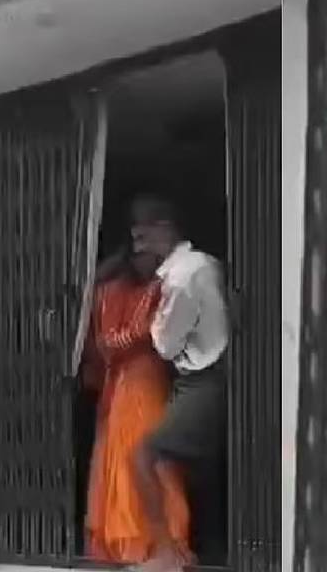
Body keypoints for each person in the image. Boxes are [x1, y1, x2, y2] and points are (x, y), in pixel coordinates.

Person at [129, 198, 229, 572]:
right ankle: (207, 553)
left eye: (143, 235)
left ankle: (166, 553)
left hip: (202, 379)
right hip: (211, 376)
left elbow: (166, 345)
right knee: (204, 474)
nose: (138, 246)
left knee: (143, 456)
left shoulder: (180, 278)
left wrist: (153, 322)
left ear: (165, 228)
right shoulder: (206, 264)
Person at [82, 245, 190, 564]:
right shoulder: (114, 293)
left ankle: (161, 542)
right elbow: (112, 341)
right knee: (127, 458)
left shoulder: (160, 289)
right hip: (128, 386)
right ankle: (139, 543)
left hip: (146, 383)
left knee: (150, 458)